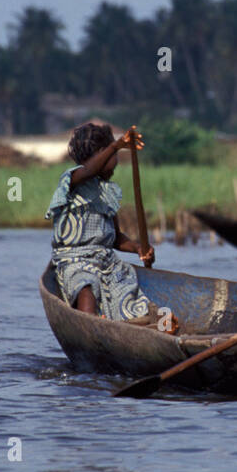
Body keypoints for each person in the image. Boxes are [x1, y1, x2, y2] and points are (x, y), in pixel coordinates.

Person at [44, 122, 177, 333]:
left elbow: (115, 238)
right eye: (112, 156)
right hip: (75, 260)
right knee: (86, 287)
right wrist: (116, 146)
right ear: (101, 155)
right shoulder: (73, 180)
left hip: (105, 262)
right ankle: (89, 331)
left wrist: (137, 248)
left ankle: (134, 326)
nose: (115, 163)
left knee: (128, 292)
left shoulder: (107, 194)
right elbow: (90, 169)